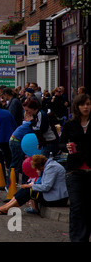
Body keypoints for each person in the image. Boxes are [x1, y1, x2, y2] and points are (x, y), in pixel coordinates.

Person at [59, 94, 91, 242]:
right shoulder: (70, 125)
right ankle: (77, 239)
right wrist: (66, 147)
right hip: (74, 171)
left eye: (88, 104)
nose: (86, 107)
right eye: (83, 104)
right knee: (77, 207)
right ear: (77, 107)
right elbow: (60, 143)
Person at [0, 154, 69, 215]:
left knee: (29, 191)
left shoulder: (51, 167)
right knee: (25, 189)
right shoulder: (49, 165)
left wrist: (30, 185)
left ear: (41, 165)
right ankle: (6, 206)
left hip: (57, 199)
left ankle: (6, 209)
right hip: (52, 195)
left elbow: (46, 187)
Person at [0, 99, 17, 185]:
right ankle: (12, 178)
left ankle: (1, 178)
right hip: (8, 138)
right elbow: (14, 125)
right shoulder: (7, 113)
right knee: (9, 158)